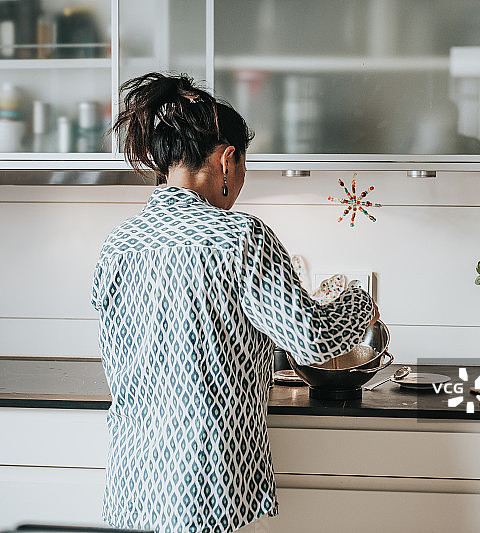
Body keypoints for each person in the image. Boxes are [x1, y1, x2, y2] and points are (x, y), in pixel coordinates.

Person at [91, 72, 377, 533]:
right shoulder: (239, 237)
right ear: (227, 160)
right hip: (209, 487)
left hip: (134, 486)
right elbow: (316, 341)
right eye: (244, 166)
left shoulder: (118, 244)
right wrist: (360, 303)